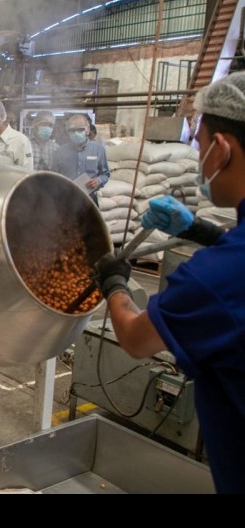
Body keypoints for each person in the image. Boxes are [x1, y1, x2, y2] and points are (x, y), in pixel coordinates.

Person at [94, 71, 245, 494]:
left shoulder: (213, 278)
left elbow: (136, 338)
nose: (199, 161)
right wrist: (200, 231)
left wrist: (114, 283)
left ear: (221, 149)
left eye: (199, 145)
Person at [52, 113, 109, 205]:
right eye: (72, 130)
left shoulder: (98, 150)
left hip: (90, 198)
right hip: (66, 199)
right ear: (68, 132)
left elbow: (105, 174)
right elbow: (53, 176)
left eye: (80, 130)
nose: (76, 133)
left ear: (87, 130)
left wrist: (98, 181)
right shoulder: (60, 152)